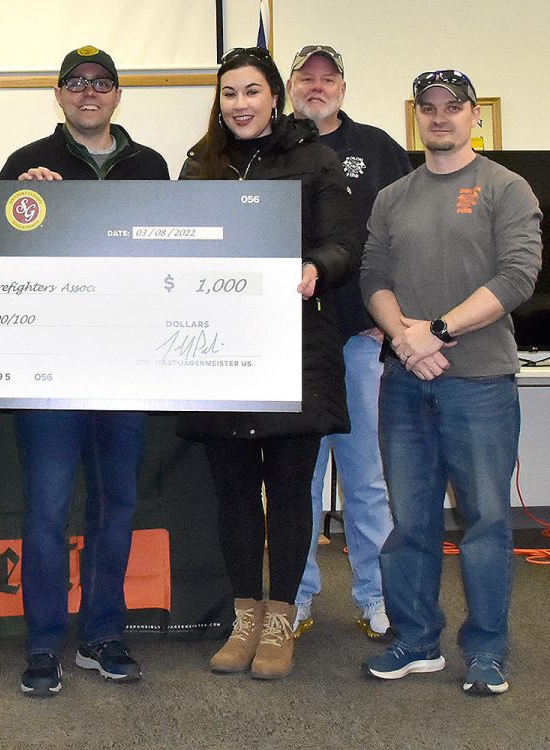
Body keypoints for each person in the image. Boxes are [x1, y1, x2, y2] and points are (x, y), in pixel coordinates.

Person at [177, 46, 358, 680]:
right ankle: (244, 616)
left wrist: (317, 269)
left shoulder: (314, 158)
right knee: (231, 492)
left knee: (287, 492)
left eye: (251, 92)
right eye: (229, 94)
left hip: (293, 349)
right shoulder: (201, 164)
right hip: (217, 350)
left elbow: (345, 245)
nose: (240, 105)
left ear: (274, 96)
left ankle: (281, 619)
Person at [0, 45, 170, 697]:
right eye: (76, 83)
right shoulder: (25, 164)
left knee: (115, 504)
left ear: (117, 95)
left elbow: (170, 258)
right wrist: (19, 202)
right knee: (45, 508)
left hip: (127, 363)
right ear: (60, 95)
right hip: (49, 367)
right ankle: (44, 643)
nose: (88, 92)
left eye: (101, 83)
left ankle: (102, 635)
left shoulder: (150, 166)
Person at [361, 69, 540, 696]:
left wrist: (435, 331)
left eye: (453, 107)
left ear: (474, 117)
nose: (441, 117)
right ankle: (415, 639)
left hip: (480, 383)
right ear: (417, 116)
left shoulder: (505, 188)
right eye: (429, 108)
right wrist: (406, 340)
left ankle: (487, 650)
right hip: (406, 382)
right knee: (410, 520)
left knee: (487, 520)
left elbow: (519, 276)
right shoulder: (393, 196)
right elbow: (372, 276)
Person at [285, 44, 413, 640]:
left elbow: (403, 238)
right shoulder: (273, 145)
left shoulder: (379, 148)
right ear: (289, 85)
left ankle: (376, 596)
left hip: (359, 339)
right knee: (299, 479)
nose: (317, 86)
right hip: (290, 342)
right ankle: (298, 596)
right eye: (305, 77)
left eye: (327, 77)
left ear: (343, 85)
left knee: (365, 477)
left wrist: (386, 317)